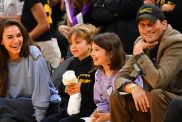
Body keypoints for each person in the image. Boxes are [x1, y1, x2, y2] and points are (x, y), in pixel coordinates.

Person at [109, 4, 182, 122]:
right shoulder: (141, 42)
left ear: (164, 24)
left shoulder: (176, 42)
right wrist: (133, 88)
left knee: (156, 94)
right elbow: (120, 77)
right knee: (117, 96)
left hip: (177, 104)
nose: (147, 29)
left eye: (151, 24)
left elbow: (159, 81)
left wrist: (139, 55)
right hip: (155, 102)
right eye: (142, 25)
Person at [0, 18, 61, 122]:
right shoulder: (2, 60)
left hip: (44, 106)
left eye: (19, 35)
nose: (16, 41)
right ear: (1, 41)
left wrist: (40, 118)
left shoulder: (33, 54)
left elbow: (43, 93)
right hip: (14, 107)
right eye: (10, 37)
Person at [42, 23, 98, 122]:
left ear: (90, 43)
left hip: (88, 111)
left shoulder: (96, 63)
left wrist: (81, 87)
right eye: (71, 43)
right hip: (69, 109)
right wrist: (67, 88)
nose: (73, 47)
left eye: (77, 42)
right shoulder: (72, 63)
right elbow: (61, 87)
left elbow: (100, 89)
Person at [90, 32, 126, 122]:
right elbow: (101, 101)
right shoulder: (98, 74)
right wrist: (101, 114)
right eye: (91, 50)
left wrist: (109, 116)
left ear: (110, 53)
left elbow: (131, 107)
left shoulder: (126, 72)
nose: (92, 54)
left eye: (96, 50)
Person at [20, 0, 61, 70]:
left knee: (49, 79)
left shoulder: (32, 1)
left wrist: (24, 39)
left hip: (44, 45)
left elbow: (44, 25)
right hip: (45, 44)